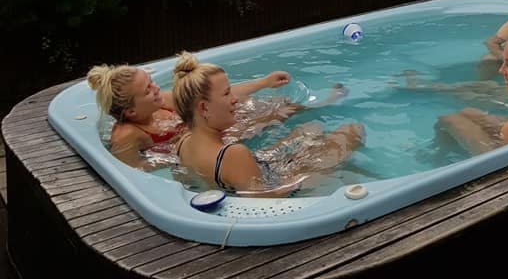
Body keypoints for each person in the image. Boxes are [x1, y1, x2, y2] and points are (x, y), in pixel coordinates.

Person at [171, 51, 365, 195]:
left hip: (242, 177)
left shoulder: (183, 142)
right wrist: (309, 174)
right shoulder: (234, 154)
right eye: (227, 93)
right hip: (279, 185)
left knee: (308, 130)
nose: (234, 99)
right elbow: (267, 199)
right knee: (352, 130)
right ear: (203, 108)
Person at [87, 61, 343, 168]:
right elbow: (134, 172)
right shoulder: (127, 136)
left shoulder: (161, 102)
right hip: (197, 147)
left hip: (203, 131)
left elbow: (216, 95)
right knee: (268, 119)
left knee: (275, 106)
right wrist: (170, 161)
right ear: (131, 111)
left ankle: (311, 105)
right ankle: (317, 109)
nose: (155, 89)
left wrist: (263, 82)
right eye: (147, 90)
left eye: (151, 82)